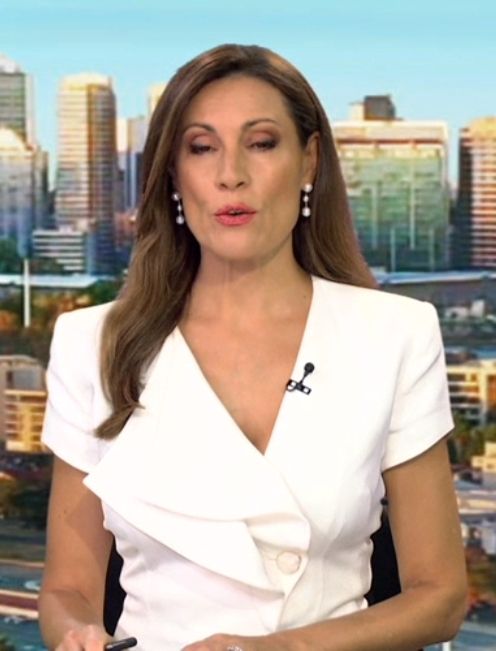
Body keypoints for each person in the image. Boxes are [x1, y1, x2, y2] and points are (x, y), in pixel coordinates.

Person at [38, 43, 467, 651]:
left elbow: (440, 597)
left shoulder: (395, 333)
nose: (230, 174)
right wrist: (77, 635)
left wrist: (274, 650)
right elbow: (67, 590)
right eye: (201, 147)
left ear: (309, 161)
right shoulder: (93, 344)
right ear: (172, 175)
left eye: (261, 143)